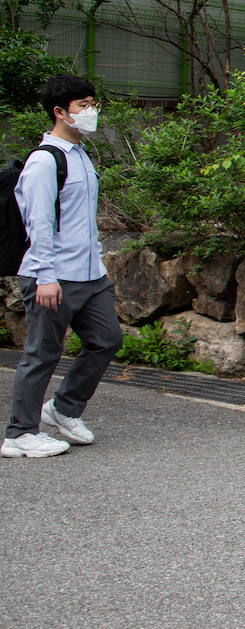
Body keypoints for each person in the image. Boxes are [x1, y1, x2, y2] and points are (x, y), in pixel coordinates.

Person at [4, 75, 123, 459]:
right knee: (43, 354)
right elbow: (38, 222)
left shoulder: (81, 155)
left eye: (92, 103)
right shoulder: (45, 161)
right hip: (53, 276)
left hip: (90, 274)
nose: (91, 112)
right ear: (60, 112)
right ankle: (19, 433)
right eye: (82, 105)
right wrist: (45, 276)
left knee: (106, 340)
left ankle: (63, 408)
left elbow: (80, 219)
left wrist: (99, 260)